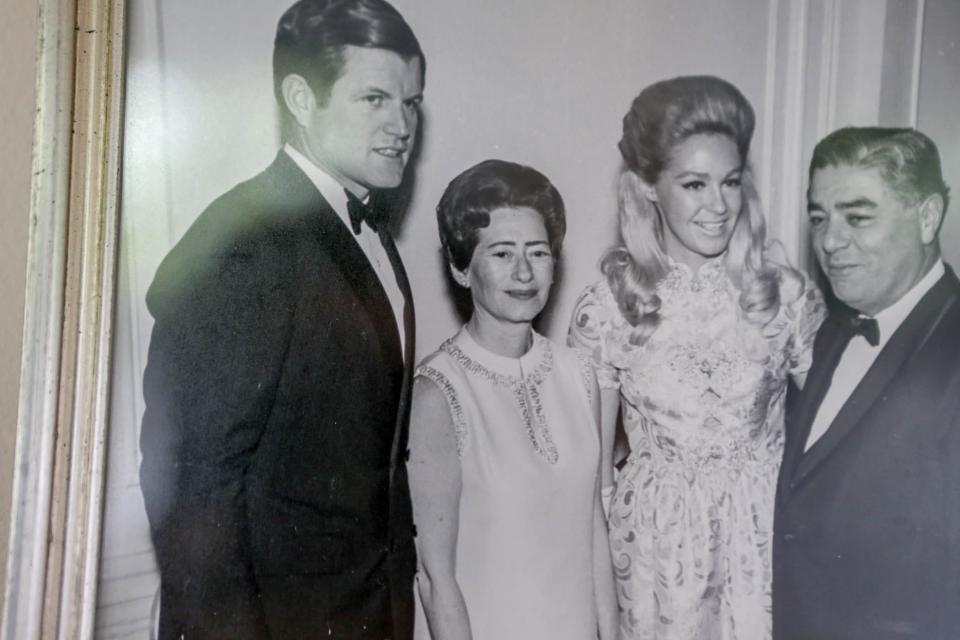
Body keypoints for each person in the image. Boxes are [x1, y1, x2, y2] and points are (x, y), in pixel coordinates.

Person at [138, 1, 424, 637]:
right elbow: (194, 489)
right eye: (374, 98)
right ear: (300, 97)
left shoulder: (370, 234)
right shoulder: (245, 244)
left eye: (411, 103)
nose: (401, 124)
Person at [567, 76, 826, 639]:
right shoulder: (609, 307)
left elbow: (834, 450)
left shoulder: (785, 296)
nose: (718, 206)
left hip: (765, 547)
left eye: (730, 182)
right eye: (694, 184)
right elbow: (591, 485)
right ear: (649, 189)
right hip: (655, 562)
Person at [408, 159, 618, 640]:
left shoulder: (580, 373)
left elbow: (594, 532)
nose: (524, 272)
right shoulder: (438, 392)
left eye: (538, 253)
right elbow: (436, 580)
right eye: (502, 254)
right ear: (462, 268)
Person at [773, 127, 960, 640]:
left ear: (926, 217)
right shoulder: (830, 329)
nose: (830, 241)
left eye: (857, 217)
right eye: (819, 218)